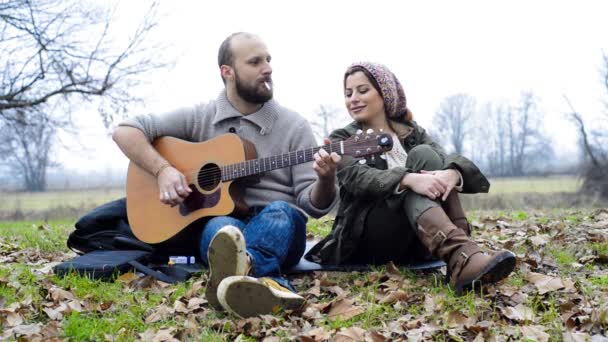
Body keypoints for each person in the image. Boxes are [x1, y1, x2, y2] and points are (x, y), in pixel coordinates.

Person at [112, 32, 340, 317]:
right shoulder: (201, 116)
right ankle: (264, 286)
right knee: (221, 227)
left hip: (279, 229)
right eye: (255, 62)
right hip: (224, 225)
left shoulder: (295, 125)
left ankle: (241, 271)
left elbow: (312, 206)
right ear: (227, 72)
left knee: (282, 212)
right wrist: (164, 170)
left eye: (268, 60)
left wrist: (326, 179)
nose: (267, 68)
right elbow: (125, 131)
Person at [306, 62, 516, 294]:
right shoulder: (342, 138)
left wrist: (452, 173)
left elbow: (442, 158)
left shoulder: (412, 132)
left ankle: (463, 257)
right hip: (367, 238)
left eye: (362, 90)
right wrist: (407, 179)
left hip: (415, 240)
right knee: (411, 188)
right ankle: (463, 257)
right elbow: (358, 178)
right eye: (348, 93)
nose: (353, 98)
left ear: (385, 94)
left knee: (425, 155)